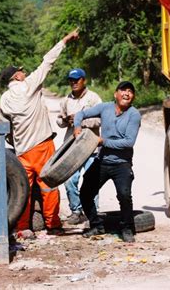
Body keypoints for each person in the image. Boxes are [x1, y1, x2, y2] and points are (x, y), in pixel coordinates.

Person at [0, 28, 79, 237]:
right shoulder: (28, 86)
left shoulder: (4, 100)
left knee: (22, 189)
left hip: (21, 151)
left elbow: (7, 123)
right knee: (48, 186)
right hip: (42, 146)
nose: (24, 72)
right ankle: (53, 224)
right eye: (21, 71)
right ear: (17, 76)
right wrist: (64, 39)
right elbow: (47, 62)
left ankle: (22, 227)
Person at [74, 81, 141, 243]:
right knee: (85, 193)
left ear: (133, 97)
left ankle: (126, 229)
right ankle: (96, 225)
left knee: (124, 196)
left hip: (122, 163)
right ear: (115, 94)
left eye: (130, 92)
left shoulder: (134, 114)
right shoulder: (105, 108)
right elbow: (80, 114)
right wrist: (77, 127)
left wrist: (102, 141)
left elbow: (128, 142)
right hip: (102, 161)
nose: (126, 94)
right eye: (123, 90)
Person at [56, 68, 102, 225]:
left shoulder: (94, 98)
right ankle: (76, 211)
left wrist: (80, 121)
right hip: (72, 148)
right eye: (71, 80)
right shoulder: (65, 100)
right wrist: (65, 120)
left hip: (90, 146)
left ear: (84, 80)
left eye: (77, 79)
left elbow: (101, 120)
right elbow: (59, 121)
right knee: (70, 180)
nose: (74, 83)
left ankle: (93, 213)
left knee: (91, 180)